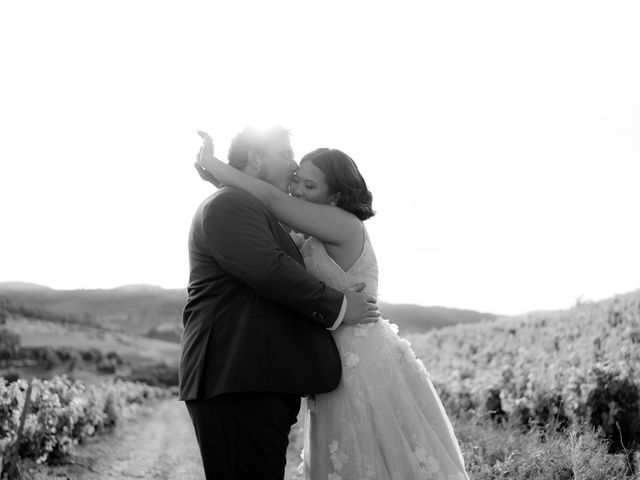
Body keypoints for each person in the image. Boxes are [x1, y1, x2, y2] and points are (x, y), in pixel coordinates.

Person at [196, 132, 470, 480]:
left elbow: (266, 198)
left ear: (335, 196)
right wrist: (220, 180)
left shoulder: (342, 223)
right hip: (330, 363)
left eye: (309, 186)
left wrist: (214, 164)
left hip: (361, 361)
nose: (297, 190)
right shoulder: (310, 228)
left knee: (375, 459)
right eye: (296, 181)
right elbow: (251, 221)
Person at [180, 125, 379, 480]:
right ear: (256, 158)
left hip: (252, 379)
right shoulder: (229, 203)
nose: (292, 168)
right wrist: (340, 306)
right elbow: (268, 268)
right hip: (238, 379)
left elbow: (270, 226)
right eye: (285, 156)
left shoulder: (239, 204)